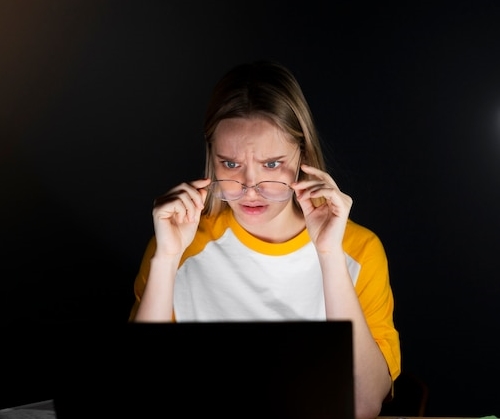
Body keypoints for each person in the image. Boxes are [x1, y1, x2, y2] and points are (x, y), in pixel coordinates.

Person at [129, 59, 401, 419]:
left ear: (303, 156)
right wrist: (165, 260)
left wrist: (329, 254)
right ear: (211, 157)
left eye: (271, 164)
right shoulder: (180, 246)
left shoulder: (359, 250)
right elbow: (139, 391)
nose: (250, 188)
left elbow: (364, 404)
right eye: (230, 164)